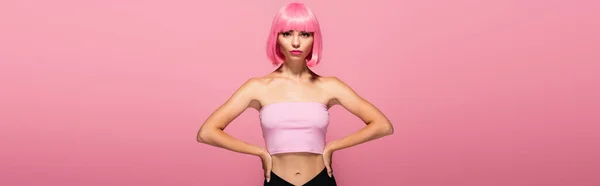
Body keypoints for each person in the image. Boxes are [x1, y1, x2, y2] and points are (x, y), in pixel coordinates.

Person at [196, 2, 394, 186]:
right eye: (287, 33)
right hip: (276, 180)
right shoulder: (257, 87)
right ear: (276, 38)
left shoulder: (330, 86)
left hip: (321, 180)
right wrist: (259, 152)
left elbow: (383, 125)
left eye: (305, 34)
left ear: (314, 39)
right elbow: (207, 132)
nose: (296, 42)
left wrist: (334, 146)